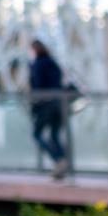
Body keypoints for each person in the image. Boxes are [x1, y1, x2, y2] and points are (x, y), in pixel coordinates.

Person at [29, 39, 69, 179]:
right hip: (59, 103)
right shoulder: (53, 63)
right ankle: (61, 163)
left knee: (37, 134)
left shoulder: (38, 64)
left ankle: (59, 160)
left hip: (46, 103)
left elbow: (38, 86)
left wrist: (35, 104)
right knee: (54, 134)